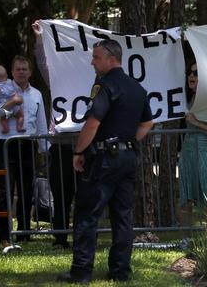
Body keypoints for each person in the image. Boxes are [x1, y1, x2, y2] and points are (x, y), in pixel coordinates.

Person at [58, 39, 153, 283]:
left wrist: (79, 152)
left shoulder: (105, 85)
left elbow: (92, 123)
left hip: (103, 160)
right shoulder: (137, 87)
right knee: (122, 217)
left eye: (96, 57)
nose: (92, 62)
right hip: (128, 158)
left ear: (112, 58)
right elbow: (147, 123)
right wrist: (129, 141)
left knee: (87, 214)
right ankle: (120, 271)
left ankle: (81, 271)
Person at [0, 55, 48, 249]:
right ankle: (4, 235)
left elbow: (40, 123)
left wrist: (44, 148)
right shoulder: (1, 89)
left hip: (28, 145)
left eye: (25, 69)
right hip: (6, 145)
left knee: (27, 190)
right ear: (12, 72)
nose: (22, 72)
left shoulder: (37, 94)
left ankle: (24, 232)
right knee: (7, 191)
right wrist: (12, 104)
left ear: (30, 72)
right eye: (18, 69)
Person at [32, 20, 77, 249]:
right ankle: (60, 238)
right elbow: (42, 63)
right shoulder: (57, 80)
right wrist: (40, 39)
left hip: (83, 146)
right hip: (60, 146)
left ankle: (81, 235)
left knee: (84, 196)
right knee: (61, 195)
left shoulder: (93, 81)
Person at [178, 63, 207, 209]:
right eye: (190, 72)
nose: (191, 76)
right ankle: (188, 231)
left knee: (205, 189)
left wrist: (196, 123)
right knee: (187, 192)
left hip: (204, 149)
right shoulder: (187, 97)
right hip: (187, 149)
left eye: (196, 73)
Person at [0, 65, 25, 134]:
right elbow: (12, 91)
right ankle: (19, 127)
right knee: (20, 116)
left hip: (6, 107)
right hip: (15, 106)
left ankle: (6, 129)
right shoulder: (9, 82)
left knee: (3, 119)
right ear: (6, 75)